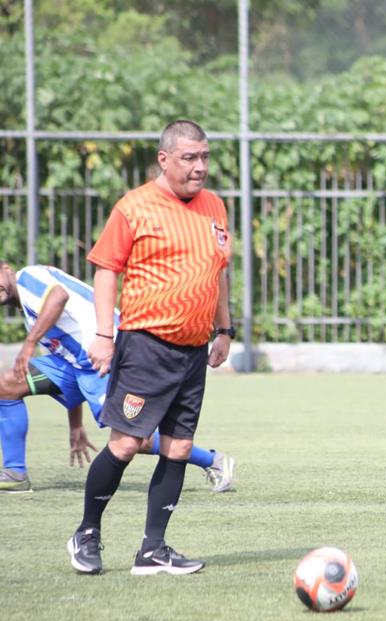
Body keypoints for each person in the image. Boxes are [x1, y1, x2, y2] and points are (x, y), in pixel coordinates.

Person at [66, 119, 234, 576]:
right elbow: (106, 269)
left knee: (179, 447)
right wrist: (104, 335)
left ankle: (153, 550)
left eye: (205, 157)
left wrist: (224, 329)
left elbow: (217, 272)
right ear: (164, 159)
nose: (200, 167)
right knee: (126, 443)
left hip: (193, 350)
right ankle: (86, 532)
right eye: (189, 158)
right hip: (145, 345)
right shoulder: (134, 207)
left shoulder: (215, 206)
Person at [0, 261, 235, 494]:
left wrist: (29, 344)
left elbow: (58, 297)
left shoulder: (28, 277)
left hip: (110, 354)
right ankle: (15, 473)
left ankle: (212, 461)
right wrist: (76, 425)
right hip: (81, 365)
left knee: (132, 437)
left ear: (6, 268)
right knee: (7, 386)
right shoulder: (31, 314)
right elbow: (68, 359)